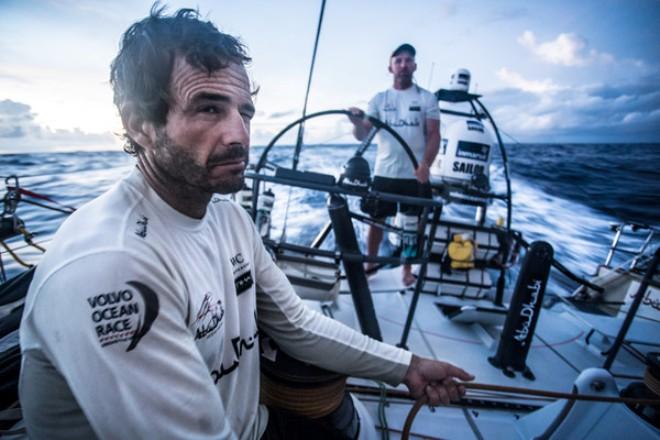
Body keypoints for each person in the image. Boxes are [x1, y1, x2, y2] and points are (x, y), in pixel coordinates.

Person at [18, 6, 471, 439]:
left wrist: (406, 366)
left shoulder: (229, 217)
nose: (239, 135)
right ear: (140, 125)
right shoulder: (113, 266)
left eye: (244, 112)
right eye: (209, 108)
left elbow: (295, 323)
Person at [348, 43, 441, 286]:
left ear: (415, 66)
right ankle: (371, 263)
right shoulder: (379, 99)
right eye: (398, 60)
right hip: (384, 172)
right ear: (390, 67)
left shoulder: (427, 98)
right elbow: (362, 134)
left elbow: (433, 135)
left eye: (408, 60)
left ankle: (406, 269)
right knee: (377, 221)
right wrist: (356, 122)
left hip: (415, 175)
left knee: (411, 226)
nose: (403, 64)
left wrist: (426, 165)